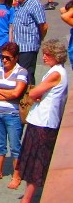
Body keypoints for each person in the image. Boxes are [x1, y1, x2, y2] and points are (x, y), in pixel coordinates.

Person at [17, 39, 69, 202]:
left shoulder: (56, 73)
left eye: (47, 55)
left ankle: (27, 199)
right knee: (32, 160)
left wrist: (37, 94)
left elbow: (33, 93)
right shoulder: (55, 71)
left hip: (44, 123)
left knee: (36, 163)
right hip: (39, 120)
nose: (44, 57)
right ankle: (28, 196)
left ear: (56, 56)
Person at [0, 41, 28, 186]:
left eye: (8, 58)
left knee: (15, 146)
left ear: (16, 58)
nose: (4, 60)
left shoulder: (21, 72)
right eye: (2, 57)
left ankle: (16, 176)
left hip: (13, 115)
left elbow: (17, 93)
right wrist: (7, 94)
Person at [13, 0, 48, 85]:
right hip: (18, 46)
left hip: (28, 47)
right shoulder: (19, 4)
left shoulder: (34, 4)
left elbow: (44, 26)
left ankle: (29, 99)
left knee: (26, 75)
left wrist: (39, 38)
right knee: (19, 75)